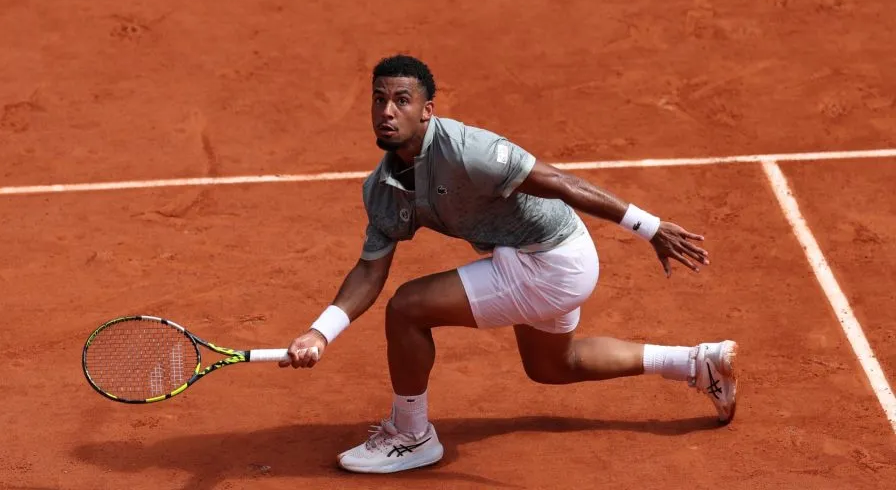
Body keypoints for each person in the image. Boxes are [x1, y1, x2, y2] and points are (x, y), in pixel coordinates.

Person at [279, 54, 738, 474]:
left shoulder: (468, 150)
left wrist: (649, 227)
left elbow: (558, 181)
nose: (387, 111)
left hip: (551, 260)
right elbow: (369, 270)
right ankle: (697, 362)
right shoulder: (381, 188)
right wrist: (320, 332)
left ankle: (411, 434)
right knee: (554, 365)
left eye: (402, 100)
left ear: (426, 110)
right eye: (379, 100)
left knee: (406, 309)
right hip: (539, 258)